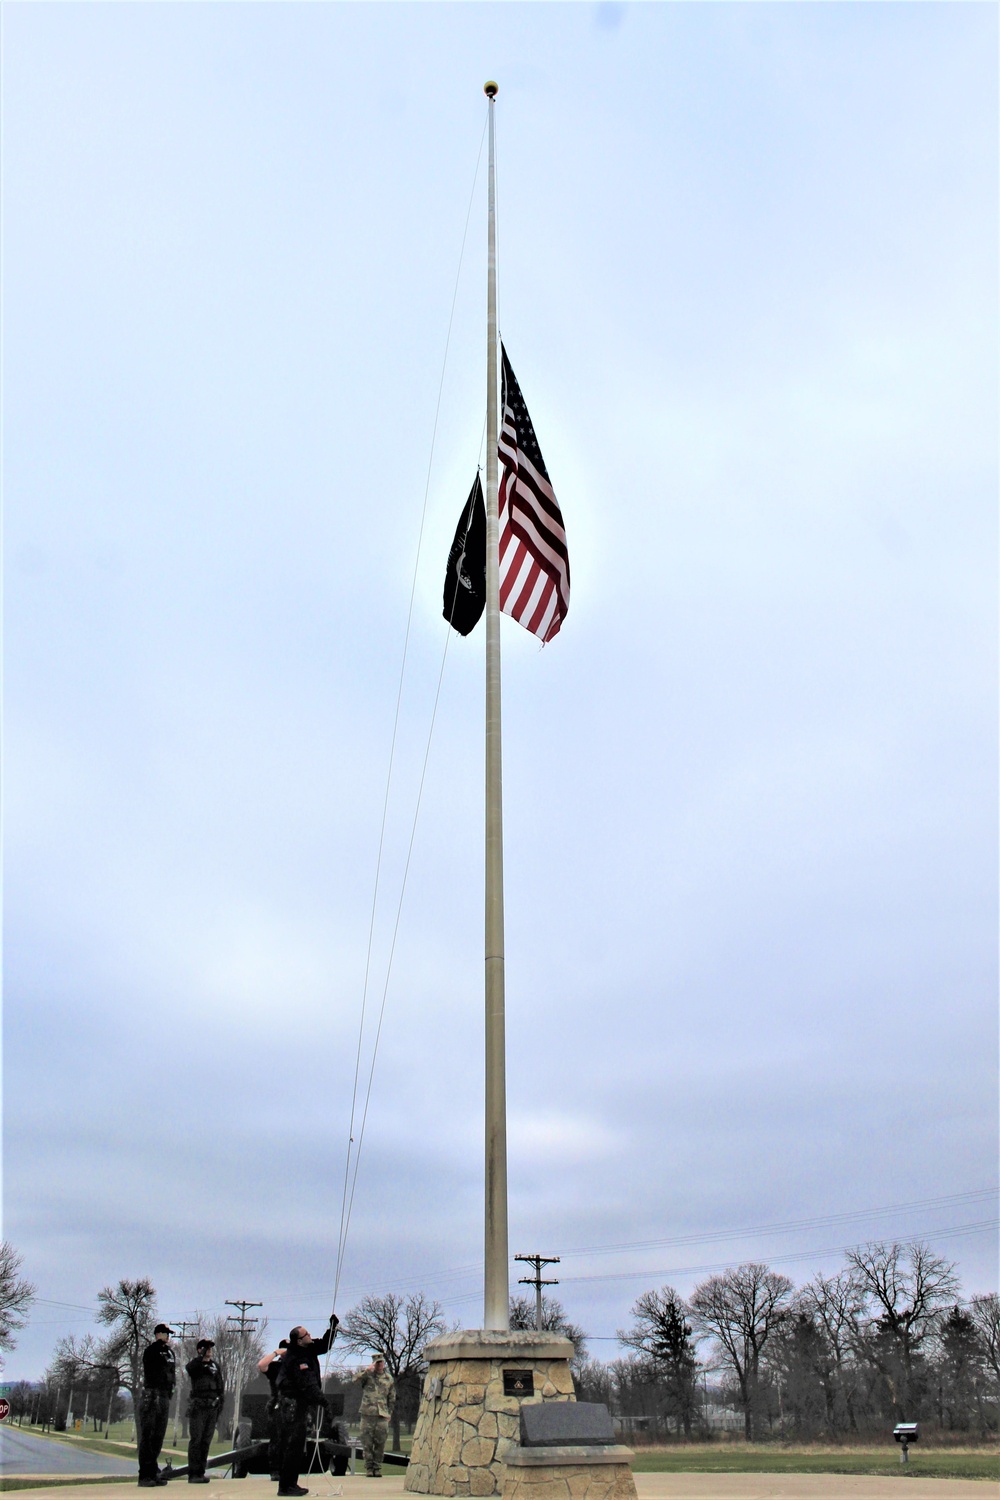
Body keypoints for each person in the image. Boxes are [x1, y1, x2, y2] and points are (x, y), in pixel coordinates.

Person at [274, 1315, 339, 1497]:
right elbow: (308, 1384)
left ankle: (290, 1484)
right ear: (299, 1340)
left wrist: (332, 1328)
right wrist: (324, 1403)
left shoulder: (307, 1349)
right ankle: (286, 1486)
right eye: (306, 1335)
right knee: (293, 1446)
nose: (310, 1336)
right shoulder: (296, 1358)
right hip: (292, 1406)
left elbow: (324, 1345)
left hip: (299, 1404)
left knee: (296, 1446)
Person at [138, 1323, 176, 1486]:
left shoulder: (170, 1352)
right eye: (166, 1333)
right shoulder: (151, 1350)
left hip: (164, 1395)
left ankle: (154, 1472)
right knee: (149, 1434)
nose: (168, 1336)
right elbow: (152, 1371)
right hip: (152, 1395)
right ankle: (144, 1475)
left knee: (158, 1437)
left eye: (169, 1334)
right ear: (158, 1334)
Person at [185, 1339, 224, 1484]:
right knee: (197, 1439)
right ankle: (193, 1473)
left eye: (210, 1348)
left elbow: (220, 1386)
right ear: (200, 1350)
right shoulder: (196, 1365)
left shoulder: (215, 1366)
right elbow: (189, 1369)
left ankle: (201, 1472)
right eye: (206, 1348)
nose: (209, 1350)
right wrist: (201, 1357)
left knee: (206, 1440)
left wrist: (220, 1405)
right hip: (198, 1407)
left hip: (212, 1406)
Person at [353, 1357, 395, 1479]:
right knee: (367, 1443)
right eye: (377, 1363)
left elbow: (392, 1397)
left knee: (380, 1443)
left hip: (382, 1415)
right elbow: (355, 1379)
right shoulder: (367, 1376)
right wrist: (367, 1370)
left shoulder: (388, 1378)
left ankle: (377, 1467)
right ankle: (369, 1468)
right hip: (367, 1414)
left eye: (381, 1362)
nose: (379, 1365)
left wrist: (390, 1413)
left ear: (384, 1363)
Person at [257, 1339, 289, 1482]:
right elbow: (262, 1365)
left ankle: (288, 1469)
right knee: (277, 1439)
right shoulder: (275, 1367)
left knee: (291, 1440)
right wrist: (276, 1353)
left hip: (294, 1405)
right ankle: (275, 1470)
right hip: (278, 1404)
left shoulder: (295, 1365)